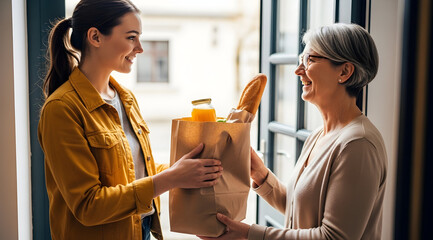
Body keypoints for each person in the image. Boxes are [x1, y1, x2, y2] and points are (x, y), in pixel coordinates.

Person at [37, 1, 223, 239]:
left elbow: (134, 173)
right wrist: (171, 178)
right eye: (131, 37)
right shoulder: (62, 109)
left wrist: (186, 170)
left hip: (139, 230)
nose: (140, 48)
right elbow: (88, 206)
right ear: (95, 37)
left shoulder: (125, 98)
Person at [199, 23, 387, 240]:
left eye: (310, 60)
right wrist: (261, 175)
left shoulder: (358, 145)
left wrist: (249, 234)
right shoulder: (319, 135)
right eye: (300, 60)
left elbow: (333, 237)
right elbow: (299, 210)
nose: (298, 70)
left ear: (344, 71)